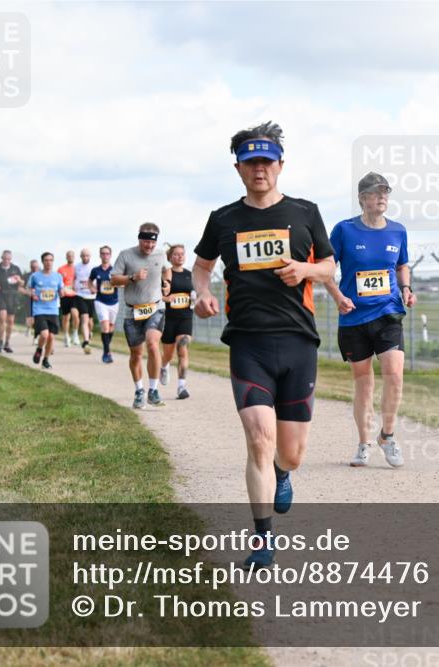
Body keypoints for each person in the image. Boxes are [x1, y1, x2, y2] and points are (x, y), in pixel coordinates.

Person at [192, 121, 336, 568]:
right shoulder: (223, 219)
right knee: (258, 438)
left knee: (290, 452)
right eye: (251, 162)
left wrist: (305, 271)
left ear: (280, 165)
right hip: (248, 343)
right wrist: (202, 293)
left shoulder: (305, 212)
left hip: (297, 342)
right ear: (238, 168)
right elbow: (201, 267)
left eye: (267, 162)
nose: (260, 170)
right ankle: (261, 538)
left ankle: (282, 473)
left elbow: (330, 266)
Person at [324, 172, 415, 468]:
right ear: (362, 198)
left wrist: (406, 289)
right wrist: (338, 296)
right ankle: (364, 442)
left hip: (388, 313)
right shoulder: (344, 230)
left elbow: (402, 264)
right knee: (364, 384)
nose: (382, 197)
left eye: (385, 192)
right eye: (376, 193)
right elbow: (325, 269)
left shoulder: (398, 231)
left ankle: (387, 436)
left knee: (395, 375)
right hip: (353, 318)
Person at [111, 223, 171, 409]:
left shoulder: (160, 254)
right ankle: (139, 391)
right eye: (146, 242)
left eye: (152, 243)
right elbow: (113, 280)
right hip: (132, 311)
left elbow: (166, 269)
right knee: (136, 354)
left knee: (152, 343)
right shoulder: (126, 255)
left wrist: (167, 283)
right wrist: (131, 278)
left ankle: (153, 391)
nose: (149, 246)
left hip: (155, 307)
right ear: (140, 239)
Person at [160, 244, 195, 399]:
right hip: (169, 318)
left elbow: (196, 293)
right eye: (176, 254)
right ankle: (164, 366)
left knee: (182, 349)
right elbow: (159, 295)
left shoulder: (190, 275)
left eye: (182, 253)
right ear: (170, 257)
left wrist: (195, 297)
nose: (180, 256)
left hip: (186, 318)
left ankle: (182, 387)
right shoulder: (166, 274)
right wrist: (168, 298)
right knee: (168, 354)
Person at [24, 252, 63, 369]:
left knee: (51, 337)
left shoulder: (58, 276)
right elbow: (28, 289)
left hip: (53, 310)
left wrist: (62, 292)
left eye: (51, 260)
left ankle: (46, 360)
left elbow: (61, 290)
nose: (48, 262)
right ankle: (39, 349)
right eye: (46, 260)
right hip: (39, 309)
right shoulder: (35, 276)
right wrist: (32, 294)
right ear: (43, 262)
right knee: (45, 335)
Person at [0, 250, 24, 353]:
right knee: (2, 318)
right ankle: (0, 342)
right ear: (1, 258)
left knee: (10, 321)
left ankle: (7, 343)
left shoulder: (16, 269)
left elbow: (22, 283)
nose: (6, 261)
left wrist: (19, 280)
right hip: (1, 296)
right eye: (4, 258)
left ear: (11, 259)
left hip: (12, 297)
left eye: (8, 259)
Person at [89, 245, 119, 364]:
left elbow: (122, 282)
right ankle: (107, 352)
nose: (105, 255)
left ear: (110, 255)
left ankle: (107, 346)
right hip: (100, 301)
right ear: (100, 255)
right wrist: (92, 288)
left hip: (114, 302)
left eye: (107, 253)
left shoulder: (115, 270)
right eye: (103, 253)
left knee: (111, 327)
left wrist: (118, 284)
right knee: (105, 326)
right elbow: (89, 281)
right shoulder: (95, 270)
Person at [73, 247, 96, 354]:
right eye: (83, 255)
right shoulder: (76, 267)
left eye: (87, 255)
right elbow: (74, 278)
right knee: (84, 318)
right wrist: (73, 287)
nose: (85, 257)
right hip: (80, 295)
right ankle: (86, 341)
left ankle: (89, 333)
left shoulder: (94, 267)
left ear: (90, 256)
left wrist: (93, 289)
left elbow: (97, 281)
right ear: (80, 256)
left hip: (91, 297)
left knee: (90, 322)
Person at [58, 250, 80, 347]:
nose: (70, 257)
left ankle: (75, 333)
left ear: (74, 257)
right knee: (66, 317)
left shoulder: (77, 268)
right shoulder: (61, 269)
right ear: (66, 257)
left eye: (72, 256)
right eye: (68, 256)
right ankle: (66, 336)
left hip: (75, 295)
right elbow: (58, 282)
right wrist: (61, 290)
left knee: (75, 314)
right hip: (65, 295)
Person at [24, 259, 40, 336]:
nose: (34, 268)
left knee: (37, 317)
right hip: (29, 298)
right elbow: (23, 287)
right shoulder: (26, 276)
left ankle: (36, 334)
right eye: (33, 267)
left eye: (36, 267)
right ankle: (28, 328)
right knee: (29, 316)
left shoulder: (41, 275)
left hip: (39, 299)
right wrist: (29, 293)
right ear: (30, 267)